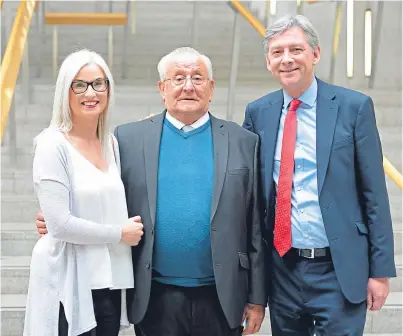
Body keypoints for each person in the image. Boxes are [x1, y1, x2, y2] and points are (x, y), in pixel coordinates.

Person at [36, 47, 267, 335]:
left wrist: (257, 298)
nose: (188, 86)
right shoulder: (128, 139)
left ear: (211, 88)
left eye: (197, 78)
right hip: (154, 294)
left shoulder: (244, 141)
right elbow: (101, 191)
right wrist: (56, 215)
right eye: (178, 78)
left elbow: (256, 225)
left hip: (222, 295)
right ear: (162, 88)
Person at [242, 14, 396, 335]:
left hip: (338, 268)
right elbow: (251, 192)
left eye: (296, 49)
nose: (287, 59)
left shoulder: (353, 107)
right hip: (283, 269)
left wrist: (380, 272)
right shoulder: (258, 113)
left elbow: (375, 195)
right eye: (277, 52)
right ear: (269, 62)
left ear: (315, 53)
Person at [25, 49, 144, 336]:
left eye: (98, 83)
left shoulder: (111, 145)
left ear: (108, 89)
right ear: (65, 92)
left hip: (108, 281)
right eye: (79, 84)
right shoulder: (52, 144)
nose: (90, 92)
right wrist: (118, 233)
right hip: (68, 280)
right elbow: (59, 224)